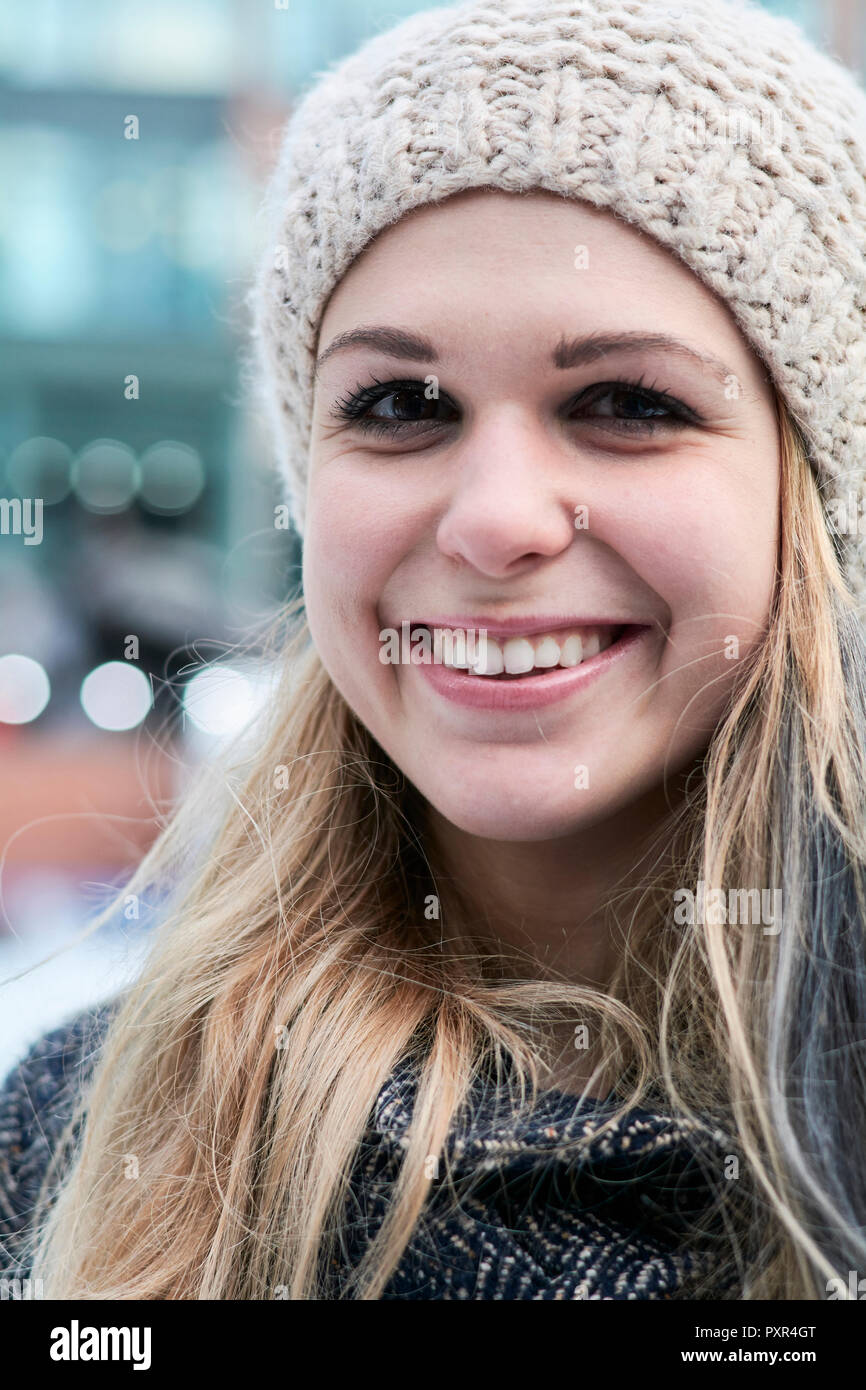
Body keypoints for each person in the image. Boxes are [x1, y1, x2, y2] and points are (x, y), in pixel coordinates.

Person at [2, 0, 866, 1300]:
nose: (493, 519)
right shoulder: (75, 1134)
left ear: (811, 500)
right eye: (400, 404)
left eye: (627, 402)